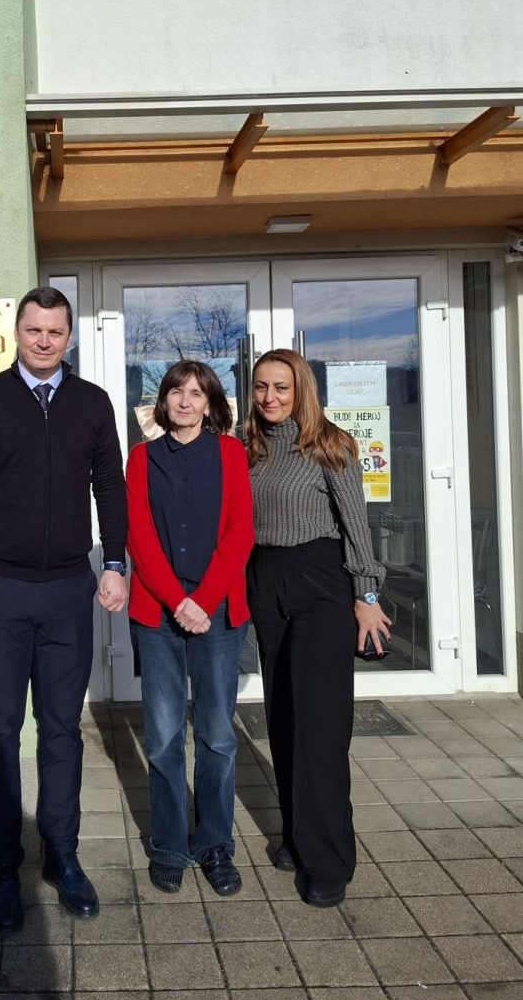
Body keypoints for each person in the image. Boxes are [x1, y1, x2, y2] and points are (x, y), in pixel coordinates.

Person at [0, 286, 128, 934]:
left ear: (69, 336)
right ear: (16, 332)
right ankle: (2, 866)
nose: (44, 340)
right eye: (34, 329)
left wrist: (114, 562)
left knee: (61, 730)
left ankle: (63, 855)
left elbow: (110, 485)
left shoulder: (91, 403)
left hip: (68, 592)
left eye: (55, 331)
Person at [245, 349, 390, 908]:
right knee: (283, 715)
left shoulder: (331, 446)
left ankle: (329, 859)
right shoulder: (249, 448)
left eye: (281, 387)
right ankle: (296, 836)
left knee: (321, 725)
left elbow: (357, 525)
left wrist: (367, 596)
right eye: (261, 387)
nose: (270, 397)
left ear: (301, 390)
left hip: (321, 582)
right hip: (266, 581)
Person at [126, 362, 253, 897]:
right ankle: (170, 845)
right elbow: (138, 536)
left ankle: (215, 844)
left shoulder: (231, 454)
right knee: (162, 737)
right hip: (159, 613)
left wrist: (201, 601)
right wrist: (177, 601)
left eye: (196, 393)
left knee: (218, 736)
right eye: (176, 391)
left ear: (209, 403)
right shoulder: (141, 457)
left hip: (217, 613)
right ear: (163, 401)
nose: (185, 401)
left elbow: (240, 533)